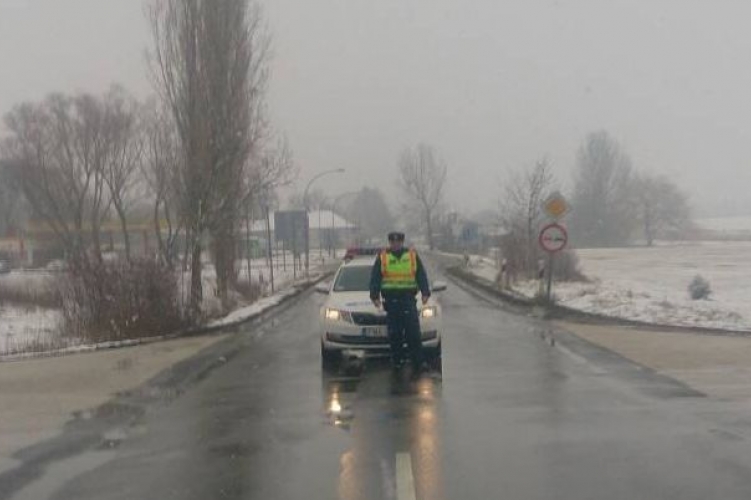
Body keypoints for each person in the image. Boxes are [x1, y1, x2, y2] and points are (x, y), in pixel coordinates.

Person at [370, 231, 431, 372]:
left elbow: (421, 274)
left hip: (408, 300)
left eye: (398, 242)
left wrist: (425, 292)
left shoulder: (412, 255)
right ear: (390, 243)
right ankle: (397, 361)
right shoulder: (383, 257)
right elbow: (376, 277)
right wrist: (374, 296)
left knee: (413, 333)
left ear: (402, 242)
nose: (395, 244)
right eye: (393, 242)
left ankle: (418, 362)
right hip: (391, 302)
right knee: (395, 334)